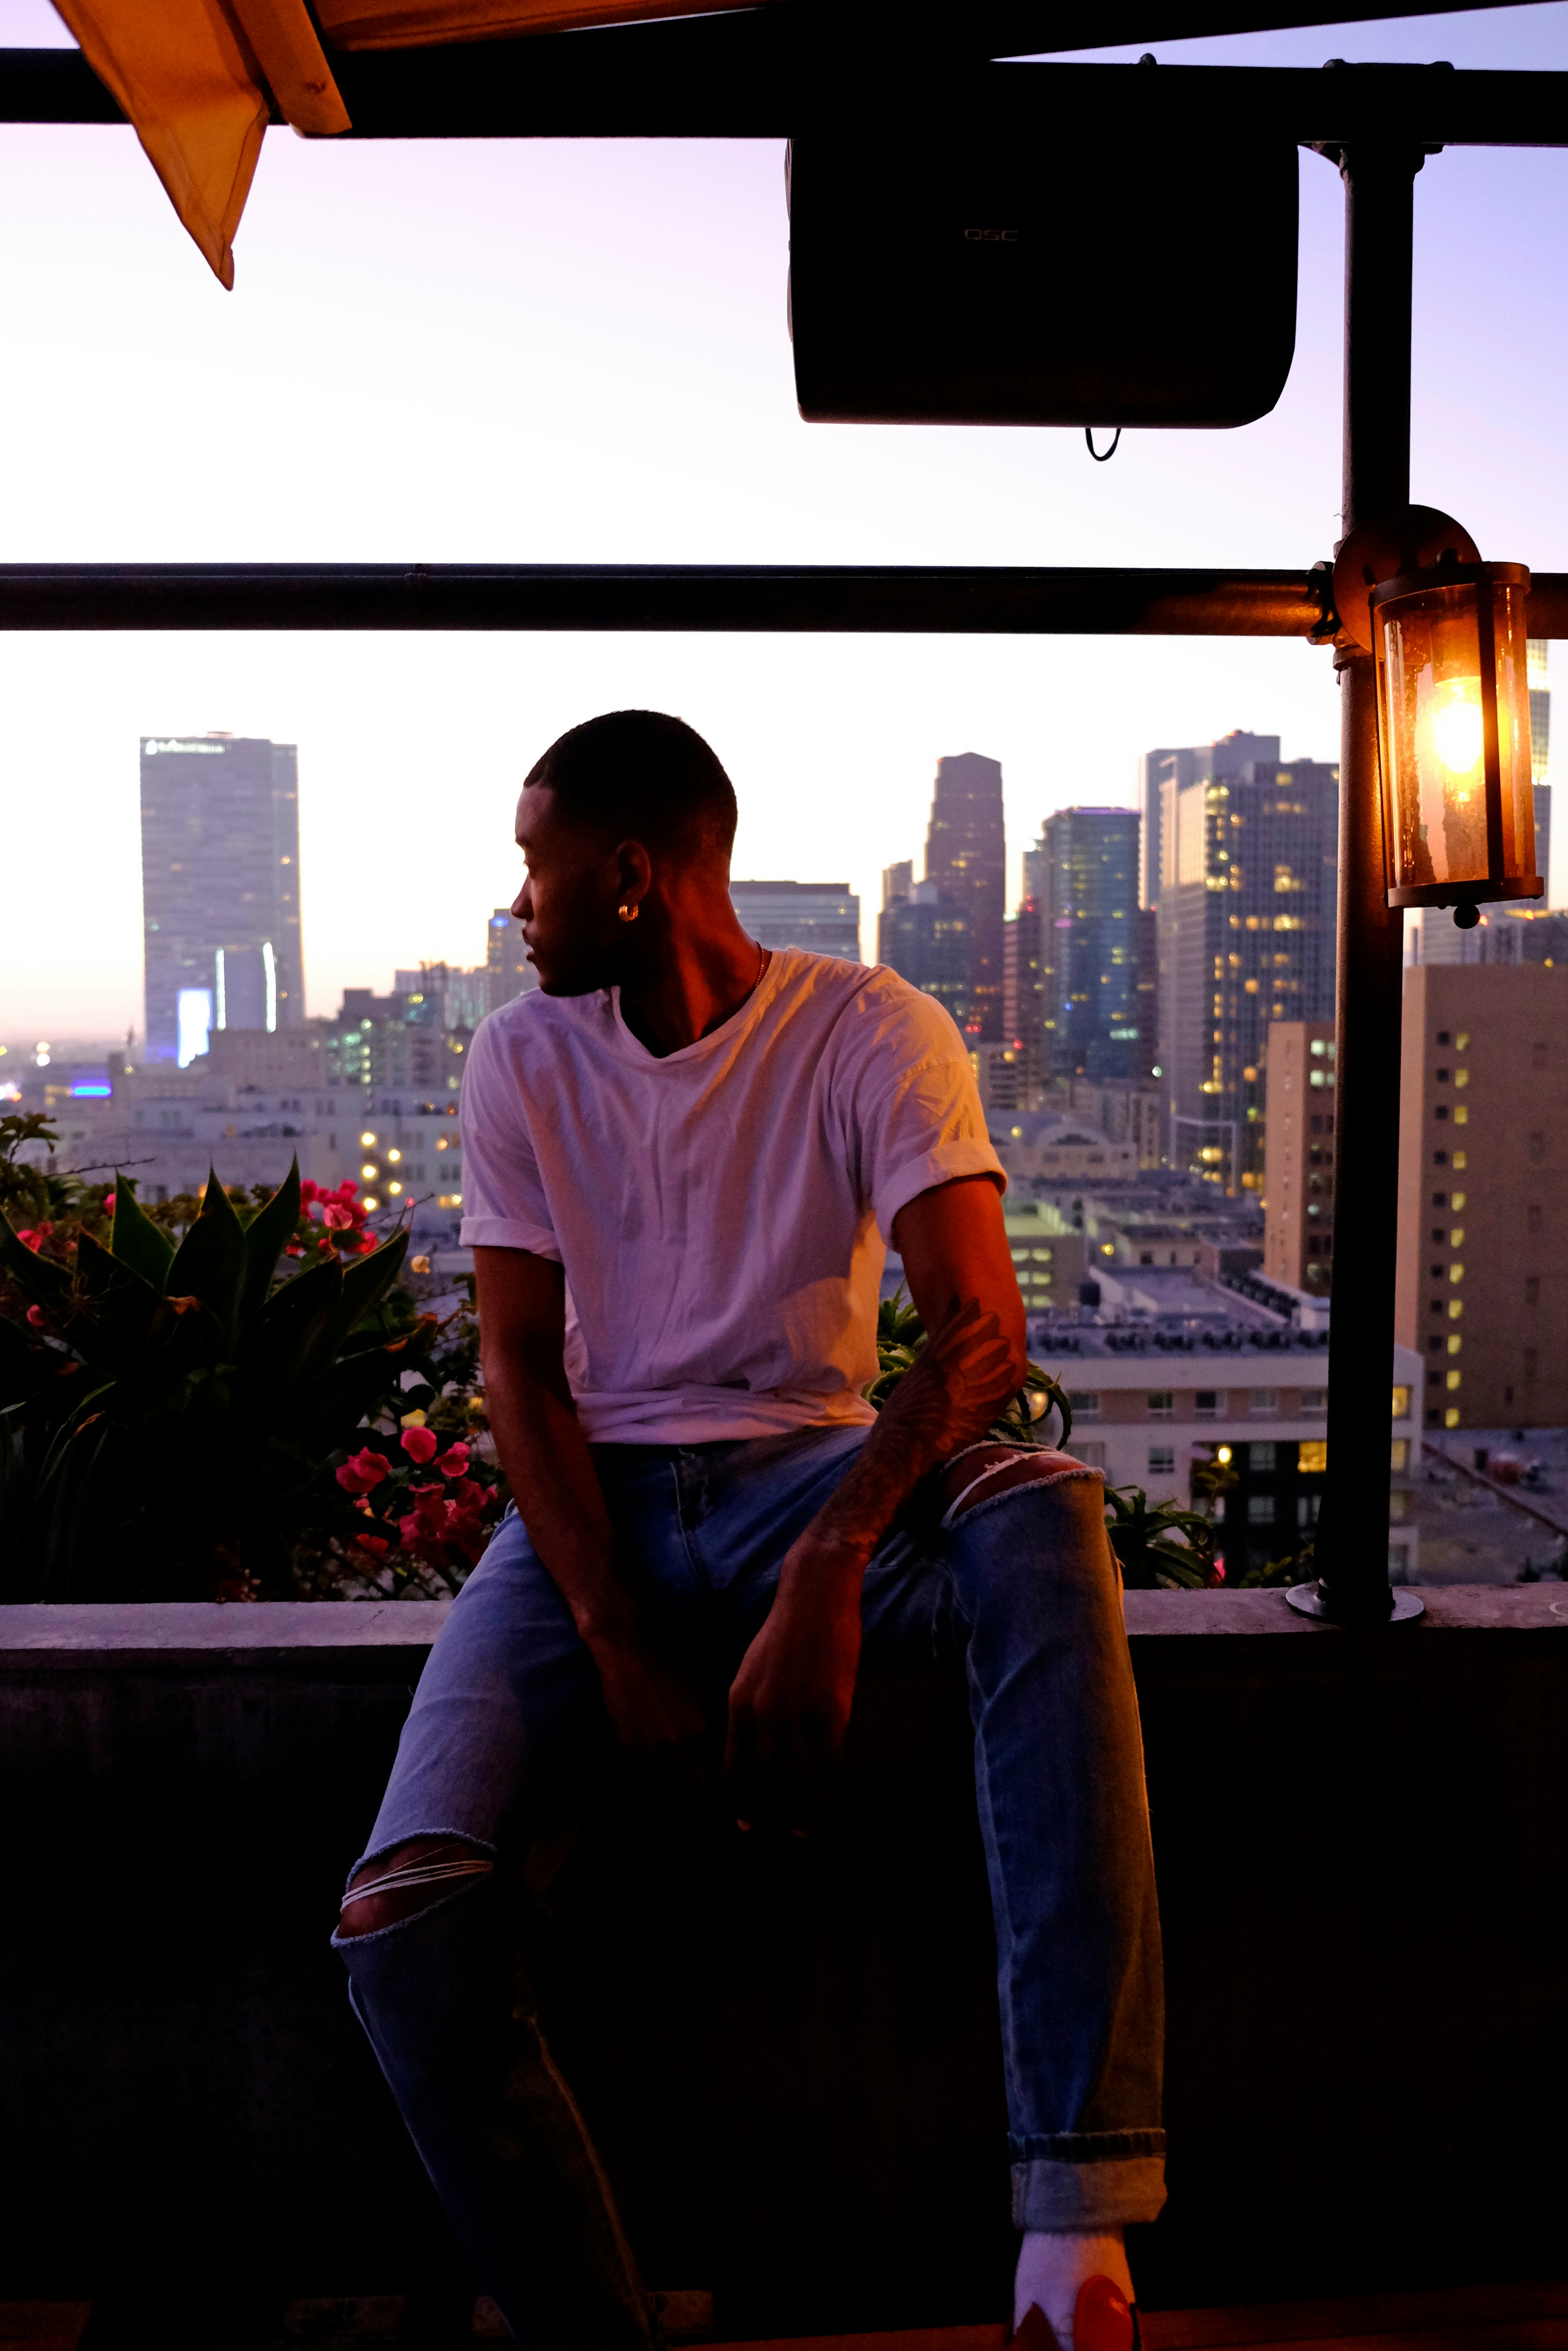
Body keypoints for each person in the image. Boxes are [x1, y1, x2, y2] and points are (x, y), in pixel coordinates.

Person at [335, 710, 1164, 2349]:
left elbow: (981, 1336)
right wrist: (620, 1638)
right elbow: (514, 1369)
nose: (518, 904)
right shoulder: (520, 1057)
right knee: (405, 1915)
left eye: (537, 867)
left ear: (631, 877)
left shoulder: (874, 1027)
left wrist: (834, 1561)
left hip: (818, 1473)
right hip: (602, 1506)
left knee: (1048, 1518)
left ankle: (1078, 2224)